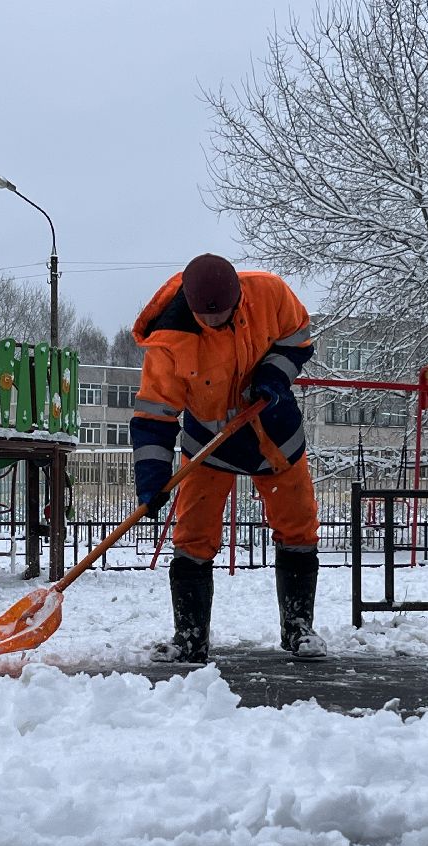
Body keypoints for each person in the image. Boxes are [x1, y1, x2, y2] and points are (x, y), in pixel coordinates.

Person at [130, 253, 325, 662]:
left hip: (274, 432)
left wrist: (273, 375)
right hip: (209, 445)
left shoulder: (269, 292)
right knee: (193, 537)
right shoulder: (168, 342)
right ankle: (190, 637)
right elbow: (154, 415)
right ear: (192, 305)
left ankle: (299, 628)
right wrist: (151, 478)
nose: (215, 323)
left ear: (239, 296)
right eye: (207, 318)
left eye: (223, 315)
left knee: (299, 527)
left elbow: (298, 335)